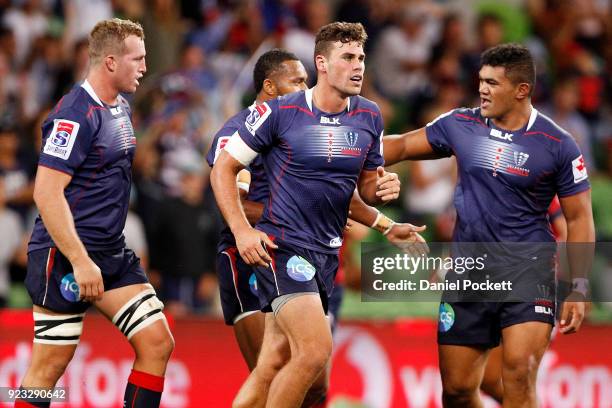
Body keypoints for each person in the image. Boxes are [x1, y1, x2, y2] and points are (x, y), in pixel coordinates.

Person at [206, 49, 425, 406]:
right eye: (297, 81)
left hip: (304, 250)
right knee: (294, 360)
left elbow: (331, 195)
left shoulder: (305, 123)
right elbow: (234, 194)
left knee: (299, 376)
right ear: (270, 86)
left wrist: (385, 224)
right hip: (249, 254)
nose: (305, 87)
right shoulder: (239, 131)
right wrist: (255, 228)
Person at [383, 43, 594, 407]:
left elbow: (579, 218)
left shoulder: (558, 144)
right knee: (458, 390)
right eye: (481, 81)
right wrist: (344, 151)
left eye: (493, 83)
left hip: (529, 270)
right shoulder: (461, 124)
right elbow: (401, 146)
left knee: (517, 374)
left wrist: (579, 285)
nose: (482, 89)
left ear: (521, 90)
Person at [18, 19, 174, 408]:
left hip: (110, 251)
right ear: (109, 62)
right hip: (67, 256)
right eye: (137, 59)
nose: (143, 66)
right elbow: (47, 192)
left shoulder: (120, 106)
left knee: (157, 342)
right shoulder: (74, 113)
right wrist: (80, 260)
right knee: (48, 367)